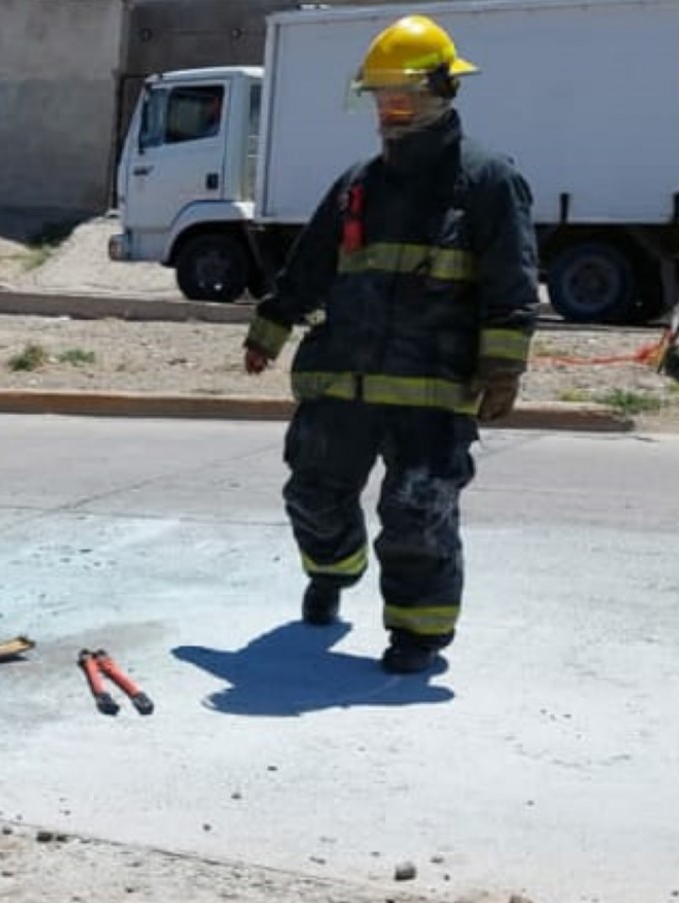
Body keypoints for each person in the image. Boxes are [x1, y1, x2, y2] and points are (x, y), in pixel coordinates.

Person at [242, 13, 538, 675]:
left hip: (431, 389)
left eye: (399, 97)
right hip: (341, 380)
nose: (387, 112)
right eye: (379, 99)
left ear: (441, 90)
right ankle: (334, 570)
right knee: (312, 497)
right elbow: (310, 262)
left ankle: (418, 634)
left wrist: (502, 367)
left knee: (415, 511)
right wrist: (270, 326)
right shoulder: (358, 184)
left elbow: (511, 280)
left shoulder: (487, 181)